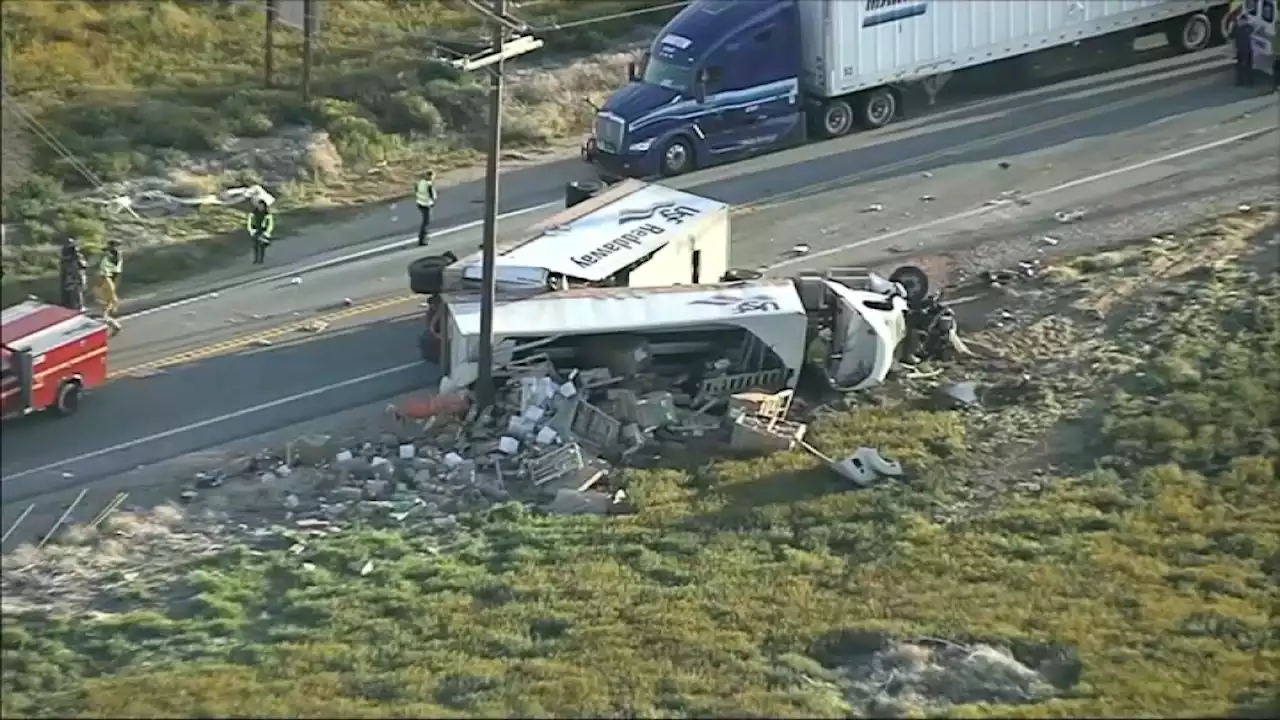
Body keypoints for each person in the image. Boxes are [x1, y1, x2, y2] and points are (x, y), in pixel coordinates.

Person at [97, 238, 123, 334]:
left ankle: (113, 324)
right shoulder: (112, 255)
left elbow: (114, 266)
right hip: (106, 280)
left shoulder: (115, 256)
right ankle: (112, 323)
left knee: (106, 303)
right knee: (106, 303)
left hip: (107, 280)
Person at [58, 236, 88, 312]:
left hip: (68, 275)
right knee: (77, 291)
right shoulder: (76, 255)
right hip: (76, 274)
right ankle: (79, 307)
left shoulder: (64, 257)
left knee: (69, 291)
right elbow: (83, 265)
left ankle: (70, 307)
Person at [246, 198, 275, 265]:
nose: (260, 207)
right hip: (255, 230)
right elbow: (249, 223)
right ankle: (256, 259)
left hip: (263, 231)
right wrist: (251, 230)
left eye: (262, 206)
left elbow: (270, 224)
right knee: (255, 245)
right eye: (259, 205)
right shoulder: (252, 214)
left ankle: (261, 259)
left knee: (262, 246)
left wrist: (267, 232)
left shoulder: (267, 215)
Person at [415, 170, 438, 246]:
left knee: (425, 221)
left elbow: (416, 190)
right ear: (430, 176)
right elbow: (433, 197)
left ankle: (425, 236)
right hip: (426, 205)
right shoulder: (429, 185)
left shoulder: (420, 182)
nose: (433, 178)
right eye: (433, 176)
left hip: (419, 203)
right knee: (426, 222)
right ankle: (422, 240)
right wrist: (433, 202)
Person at [1234, 18, 1255, 87]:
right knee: (1246, 67)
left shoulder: (1238, 28)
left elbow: (1231, 36)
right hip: (1246, 50)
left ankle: (1242, 82)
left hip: (1242, 50)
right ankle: (1247, 82)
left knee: (1242, 67)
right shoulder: (1248, 27)